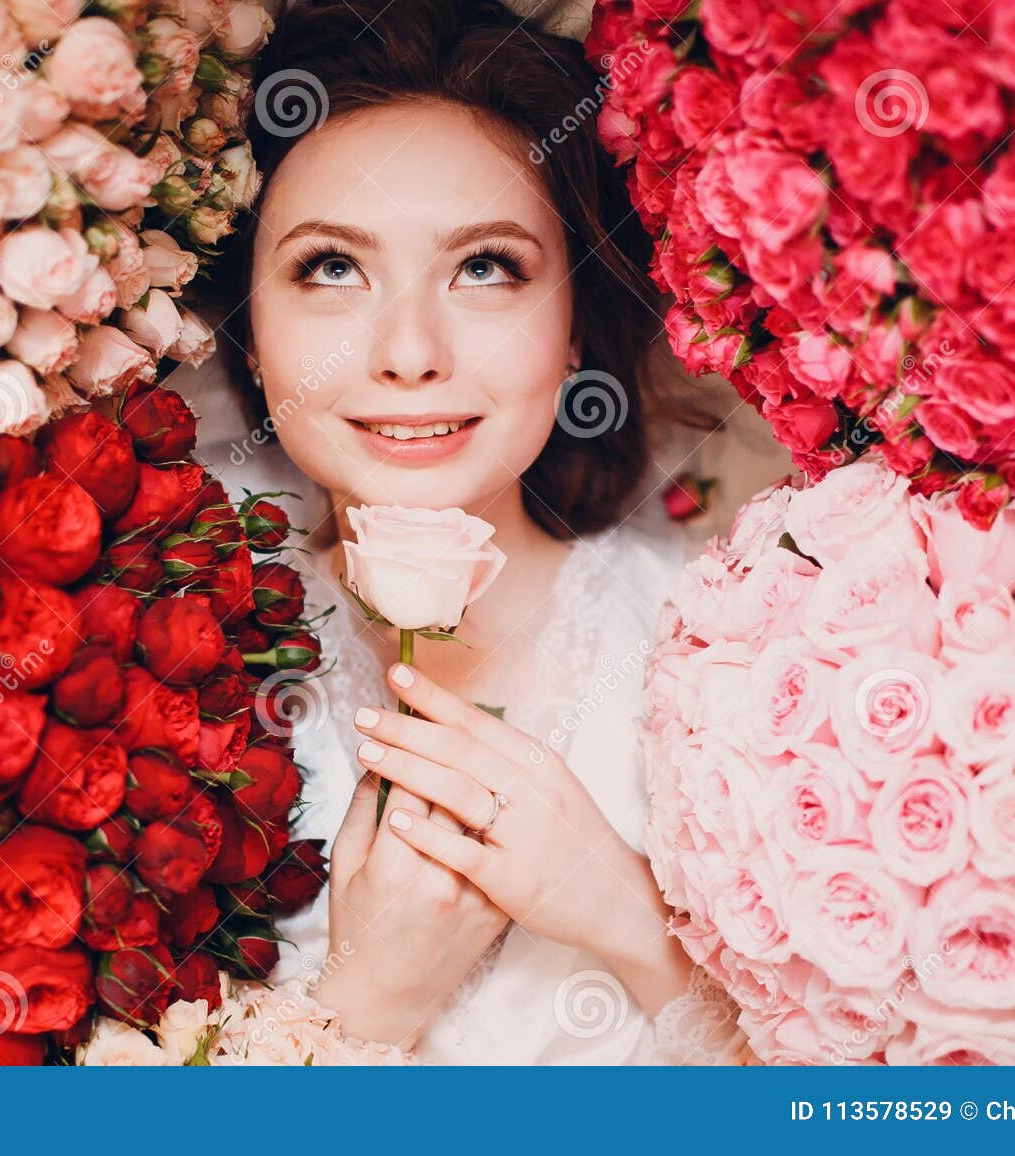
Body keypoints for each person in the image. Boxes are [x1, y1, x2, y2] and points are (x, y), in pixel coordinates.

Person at [204, 0, 744, 1064]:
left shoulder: (722, 648)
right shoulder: (160, 678)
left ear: (575, 321)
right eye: (331, 267)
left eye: (485, 267)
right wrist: (368, 1003)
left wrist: (628, 916)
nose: (410, 353)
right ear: (254, 334)